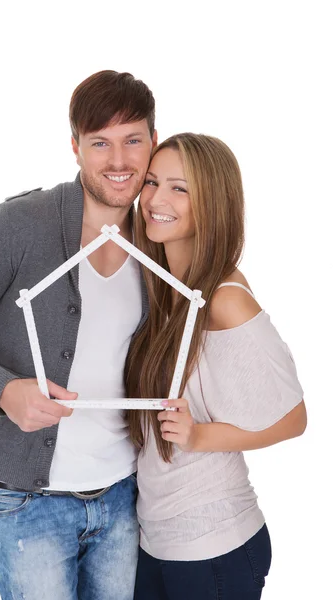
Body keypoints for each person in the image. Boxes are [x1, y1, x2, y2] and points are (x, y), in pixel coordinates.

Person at [0, 70, 157, 600]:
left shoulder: (155, 239)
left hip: (123, 496)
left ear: (152, 143)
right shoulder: (19, 224)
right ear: (75, 147)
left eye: (132, 140)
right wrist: (4, 391)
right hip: (28, 502)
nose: (119, 161)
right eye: (100, 143)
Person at [125, 133, 307, 600]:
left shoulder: (225, 300)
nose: (155, 200)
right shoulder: (162, 287)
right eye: (151, 182)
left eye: (179, 188)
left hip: (215, 549)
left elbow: (293, 419)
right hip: (154, 539)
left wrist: (199, 436)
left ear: (213, 204)